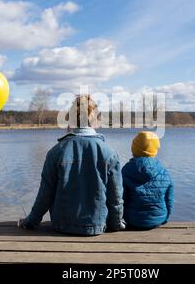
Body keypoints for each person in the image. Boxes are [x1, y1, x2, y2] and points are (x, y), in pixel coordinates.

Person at [18, 94, 125, 235]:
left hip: (61, 226)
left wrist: (30, 222)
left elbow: (45, 196)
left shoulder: (55, 152)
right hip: (96, 227)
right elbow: (115, 197)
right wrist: (116, 224)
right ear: (96, 120)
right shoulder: (110, 153)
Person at [122, 131, 174, 229]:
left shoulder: (126, 170)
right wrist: (165, 219)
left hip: (132, 220)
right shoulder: (163, 171)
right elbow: (169, 200)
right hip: (158, 219)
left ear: (134, 149)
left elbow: (119, 198)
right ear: (155, 150)